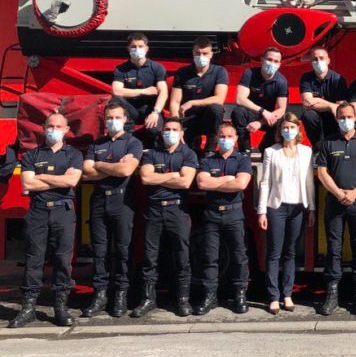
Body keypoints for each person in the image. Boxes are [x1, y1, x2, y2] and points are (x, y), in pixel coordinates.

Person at [9, 113, 82, 328]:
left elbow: (72, 180)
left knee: (62, 259)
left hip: (63, 212)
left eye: (59, 126)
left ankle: (61, 307)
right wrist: (59, 181)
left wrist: (40, 177)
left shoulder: (74, 154)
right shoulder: (32, 155)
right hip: (37, 212)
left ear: (67, 129)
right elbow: (28, 185)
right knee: (34, 259)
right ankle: (29, 307)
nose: (54, 129)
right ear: (43, 127)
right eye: (50, 125)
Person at [81, 100, 143, 319]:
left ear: (125, 120)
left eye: (117, 117)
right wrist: (112, 167)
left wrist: (100, 165)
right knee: (100, 251)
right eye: (109, 118)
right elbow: (86, 171)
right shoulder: (96, 144)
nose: (113, 121)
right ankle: (100, 296)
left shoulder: (133, 143)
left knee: (123, 250)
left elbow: (127, 169)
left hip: (122, 202)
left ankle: (121, 296)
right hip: (98, 201)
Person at [316, 103, 356, 316]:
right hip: (334, 202)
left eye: (350, 116)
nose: (346, 119)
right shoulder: (328, 142)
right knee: (334, 249)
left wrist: (354, 193)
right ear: (337, 118)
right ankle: (332, 295)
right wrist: (339, 194)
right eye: (342, 116)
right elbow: (322, 173)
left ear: (355, 117)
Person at [134, 117, 198, 318]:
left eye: (174, 129)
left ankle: (182, 300)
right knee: (150, 257)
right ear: (161, 133)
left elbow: (186, 182)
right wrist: (173, 175)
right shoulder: (151, 154)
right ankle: (148, 300)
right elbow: (146, 178)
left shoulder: (188, 154)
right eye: (167, 129)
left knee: (182, 256)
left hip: (177, 211)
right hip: (153, 211)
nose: (170, 132)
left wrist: (160, 178)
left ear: (181, 134)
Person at [257, 113, 315, 315]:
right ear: (280, 130)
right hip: (277, 207)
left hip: (298, 207)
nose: (288, 130)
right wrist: (262, 211)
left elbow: (309, 182)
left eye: (292, 127)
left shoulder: (306, 152)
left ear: (299, 130)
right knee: (274, 252)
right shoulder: (271, 152)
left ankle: (287, 294)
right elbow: (265, 182)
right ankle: (273, 297)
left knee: (291, 252)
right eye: (285, 127)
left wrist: (312, 208)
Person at [195, 123, 253, 315]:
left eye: (229, 136)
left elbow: (241, 183)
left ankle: (240, 295)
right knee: (210, 257)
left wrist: (217, 183)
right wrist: (228, 179)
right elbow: (202, 182)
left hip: (234, 214)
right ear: (217, 138)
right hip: (212, 214)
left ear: (236, 139)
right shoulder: (208, 160)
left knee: (239, 256)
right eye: (221, 136)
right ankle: (210, 296)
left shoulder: (242, 160)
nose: (225, 139)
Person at [169, 36, 228, 157]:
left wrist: (192, 102)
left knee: (216, 108)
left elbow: (219, 99)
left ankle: (210, 148)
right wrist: (176, 127)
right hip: (188, 119)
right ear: (193, 53)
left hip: (208, 119)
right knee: (184, 153)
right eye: (198, 53)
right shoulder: (182, 72)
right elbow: (175, 102)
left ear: (211, 54)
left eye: (205, 53)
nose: (201, 56)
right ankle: (194, 142)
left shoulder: (220, 72)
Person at [111, 32, 168, 146]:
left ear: (146, 48)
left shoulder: (157, 68)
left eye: (140, 46)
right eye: (133, 47)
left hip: (150, 110)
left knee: (154, 131)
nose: (137, 49)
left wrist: (155, 112)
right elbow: (116, 91)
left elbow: (164, 92)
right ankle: (127, 138)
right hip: (131, 110)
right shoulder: (121, 69)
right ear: (128, 48)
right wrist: (144, 91)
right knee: (116, 100)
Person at [231, 47, 288, 155]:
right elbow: (240, 99)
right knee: (238, 112)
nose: (272, 63)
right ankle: (245, 151)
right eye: (269, 59)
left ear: (280, 64)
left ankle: (265, 148)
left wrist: (260, 122)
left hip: (268, 119)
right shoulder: (249, 73)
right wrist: (263, 111)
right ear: (262, 60)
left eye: (276, 61)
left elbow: (281, 109)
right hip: (251, 113)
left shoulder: (282, 81)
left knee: (280, 121)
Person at [300, 47, 348, 147]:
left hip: (333, 117)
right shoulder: (306, 78)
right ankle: (317, 148)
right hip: (316, 117)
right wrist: (330, 106)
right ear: (311, 62)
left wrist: (317, 100)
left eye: (321, 58)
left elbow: (340, 107)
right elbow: (306, 104)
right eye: (315, 59)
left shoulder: (338, 79)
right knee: (308, 115)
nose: (318, 61)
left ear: (328, 60)